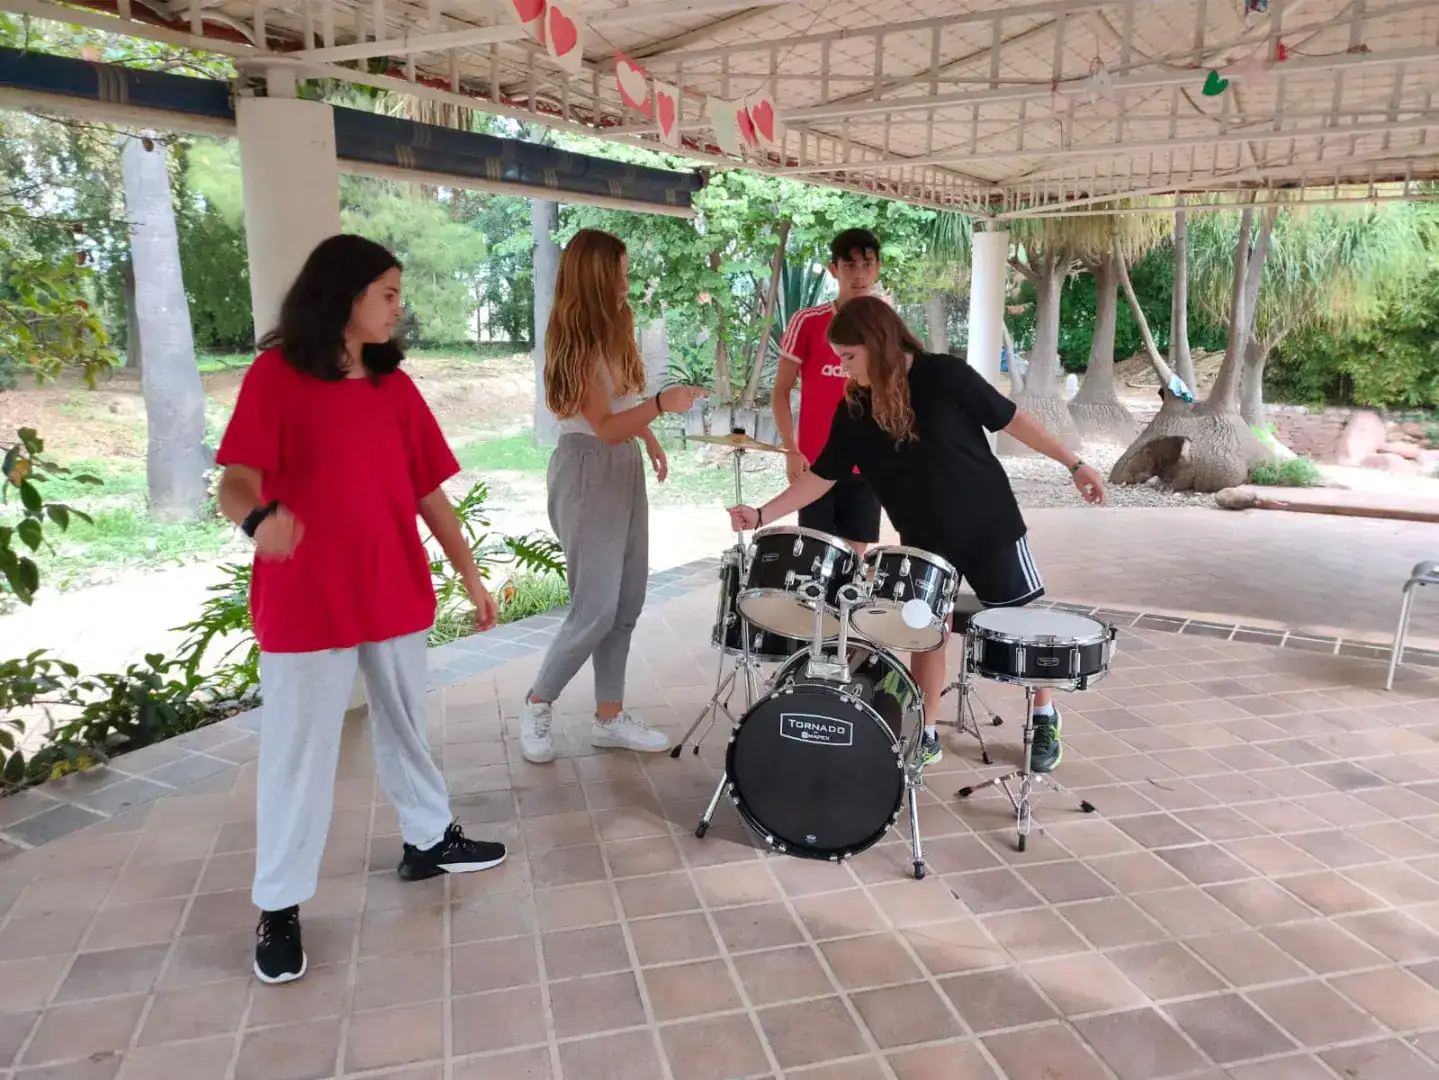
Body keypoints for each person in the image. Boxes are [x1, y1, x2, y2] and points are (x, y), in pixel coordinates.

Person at [216, 234, 508, 986]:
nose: (396, 305)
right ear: (342, 295)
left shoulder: (392, 387)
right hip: (306, 599)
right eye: (386, 292)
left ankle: (428, 839)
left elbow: (428, 494)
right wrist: (258, 524)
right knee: (298, 753)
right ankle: (278, 906)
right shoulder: (274, 377)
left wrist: (470, 577)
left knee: (407, 724)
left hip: (391, 588)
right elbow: (234, 483)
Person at [728, 296, 1105, 771]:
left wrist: (1074, 463)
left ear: (876, 343)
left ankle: (1044, 715)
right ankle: (924, 731)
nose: (843, 370)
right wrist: (762, 513)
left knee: (1022, 629)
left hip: (990, 525)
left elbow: (1014, 420)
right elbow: (823, 475)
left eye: (848, 357)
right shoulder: (855, 409)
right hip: (924, 541)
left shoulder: (944, 375)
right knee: (926, 634)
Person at [520, 229, 704, 765]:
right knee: (594, 608)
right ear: (599, 276)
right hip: (586, 468)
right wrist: (662, 407)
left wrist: (646, 438)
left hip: (620, 463)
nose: (627, 280)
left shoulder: (613, 328)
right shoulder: (573, 339)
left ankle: (609, 717)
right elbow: (600, 425)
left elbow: (621, 410)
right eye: (620, 270)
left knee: (625, 604)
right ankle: (538, 701)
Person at [771, 228, 886, 556]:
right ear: (834, 269)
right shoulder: (807, 321)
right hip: (816, 463)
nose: (859, 274)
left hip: (867, 464)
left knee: (854, 560)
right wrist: (791, 450)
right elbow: (780, 392)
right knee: (811, 557)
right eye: (849, 265)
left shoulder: (887, 326)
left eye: (866, 264)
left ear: (877, 267)